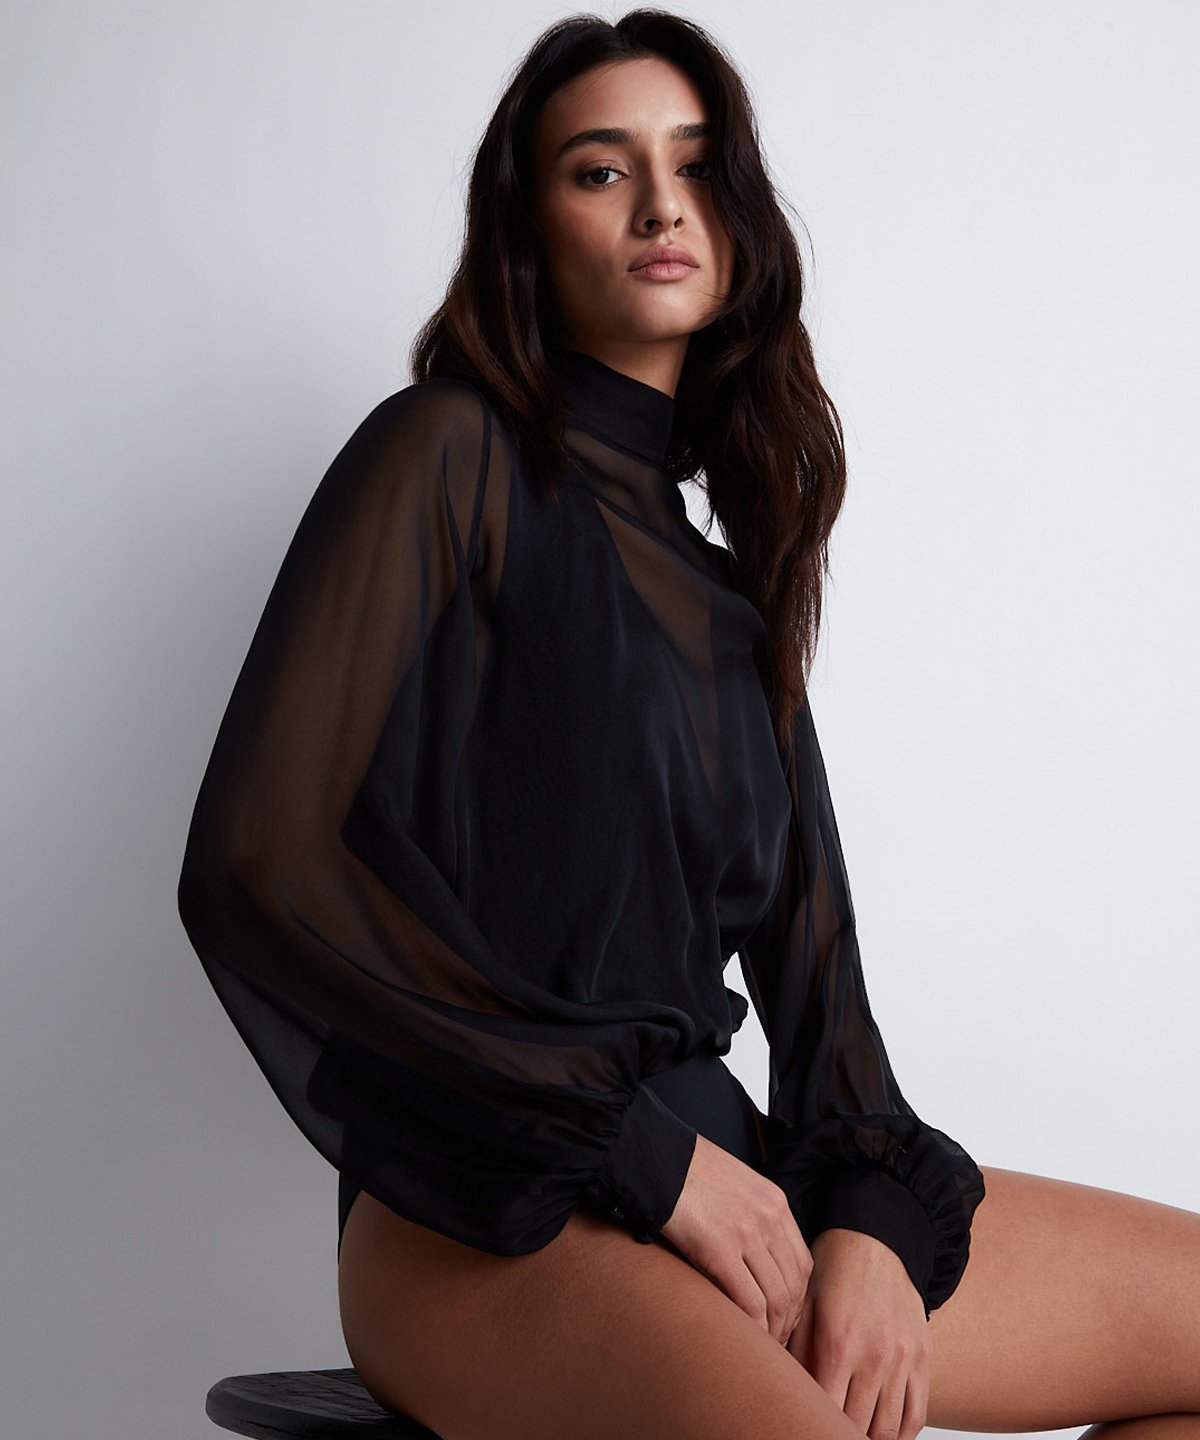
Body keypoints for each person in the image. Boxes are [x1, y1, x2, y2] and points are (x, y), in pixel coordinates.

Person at [176, 11, 1200, 1440]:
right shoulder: (443, 455)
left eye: (699, 167)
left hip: (735, 1184)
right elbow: (258, 867)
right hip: (487, 1201)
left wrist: (873, 1229)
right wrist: (639, 1155)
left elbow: (828, 1018)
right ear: (527, 232)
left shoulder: (732, 601)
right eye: (602, 171)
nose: (662, 205)